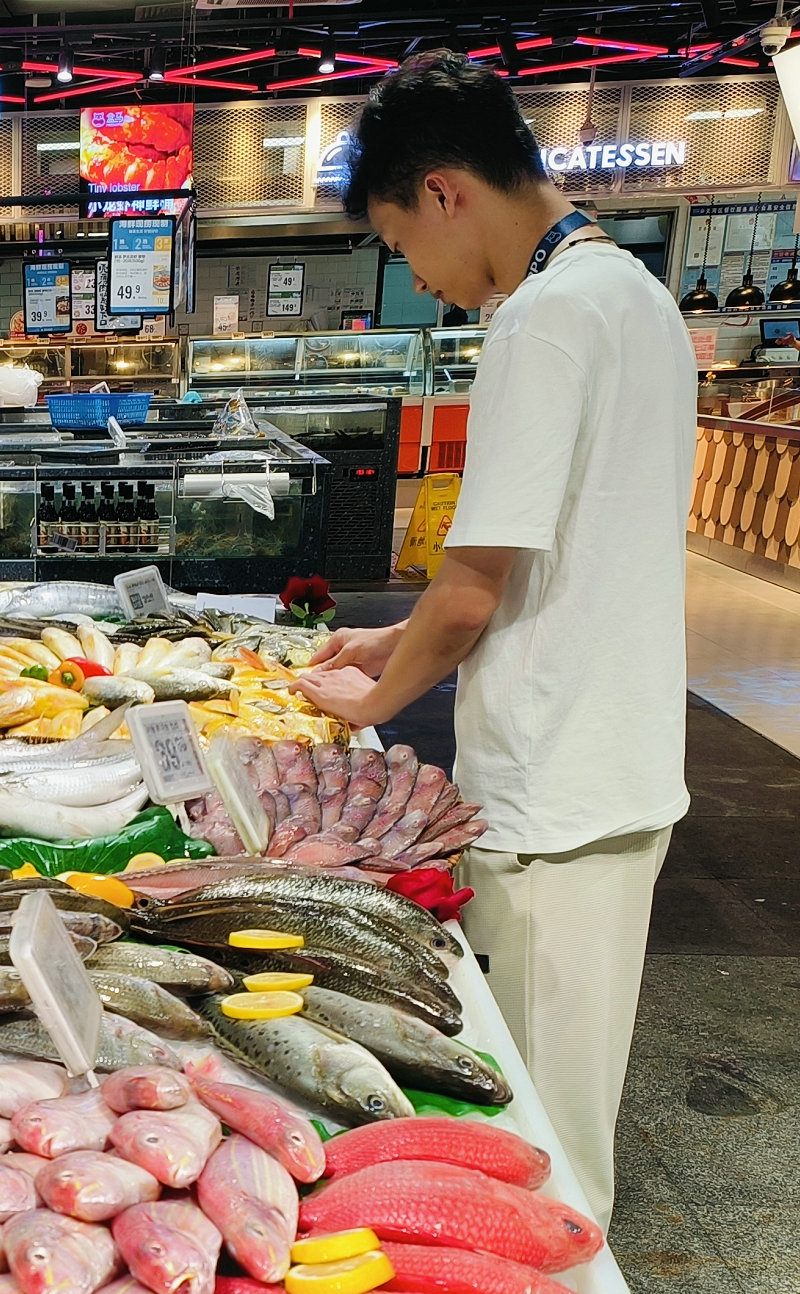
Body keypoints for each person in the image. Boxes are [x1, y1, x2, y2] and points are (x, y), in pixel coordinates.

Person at [291, 50, 693, 1225]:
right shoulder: (632, 294)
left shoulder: (540, 321)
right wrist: (386, 639)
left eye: (400, 243)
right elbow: (554, 553)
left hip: (554, 788)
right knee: (563, 1101)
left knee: (540, 1144)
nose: (415, 274)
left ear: (445, 192)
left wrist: (369, 709)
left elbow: (473, 591)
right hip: (611, 766)